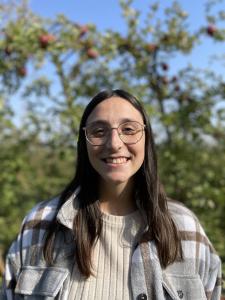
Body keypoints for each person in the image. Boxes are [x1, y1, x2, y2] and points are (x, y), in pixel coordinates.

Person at [2, 89, 222, 300]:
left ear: (147, 138)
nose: (115, 143)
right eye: (99, 131)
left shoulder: (184, 227)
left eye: (129, 129)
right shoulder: (41, 224)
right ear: (84, 142)